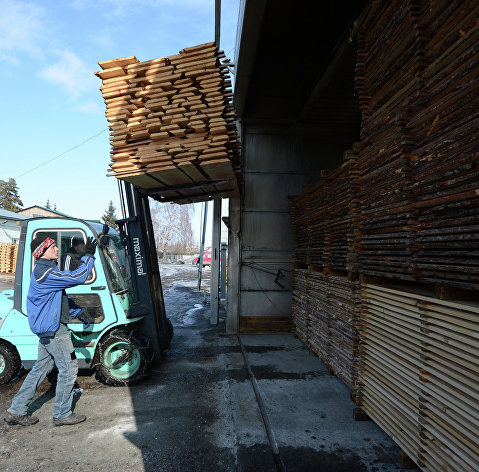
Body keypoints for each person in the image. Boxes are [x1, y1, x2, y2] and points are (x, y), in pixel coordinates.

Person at [4, 235, 97, 427]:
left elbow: (59, 298)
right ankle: (62, 414)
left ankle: (16, 411)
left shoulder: (48, 270)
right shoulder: (44, 272)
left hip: (48, 329)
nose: (56, 249)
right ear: (42, 252)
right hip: (55, 331)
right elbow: (77, 277)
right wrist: (89, 255)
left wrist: (79, 312)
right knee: (69, 368)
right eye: (53, 246)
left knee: (41, 368)